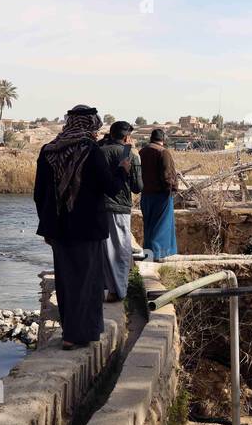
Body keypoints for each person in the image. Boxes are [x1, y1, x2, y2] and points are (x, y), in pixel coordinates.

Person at [34, 105, 129, 349]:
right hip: (87, 229)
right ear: (90, 125)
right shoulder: (90, 151)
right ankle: (82, 334)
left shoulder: (48, 151)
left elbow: (39, 194)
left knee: (67, 281)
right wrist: (122, 171)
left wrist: (46, 226)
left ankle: (69, 334)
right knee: (88, 282)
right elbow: (110, 187)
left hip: (58, 229)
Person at [98, 120, 142, 301]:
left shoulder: (99, 152)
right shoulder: (129, 154)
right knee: (121, 250)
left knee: (103, 249)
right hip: (120, 208)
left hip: (99, 207)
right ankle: (119, 291)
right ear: (126, 136)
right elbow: (137, 187)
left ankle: (105, 288)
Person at [139, 128, 179, 260]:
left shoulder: (142, 152)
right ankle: (157, 255)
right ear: (163, 139)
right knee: (161, 226)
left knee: (149, 225)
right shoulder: (163, 152)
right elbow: (167, 175)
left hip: (146, 195)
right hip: (161, 195)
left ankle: (148, 254)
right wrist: (172, 188)